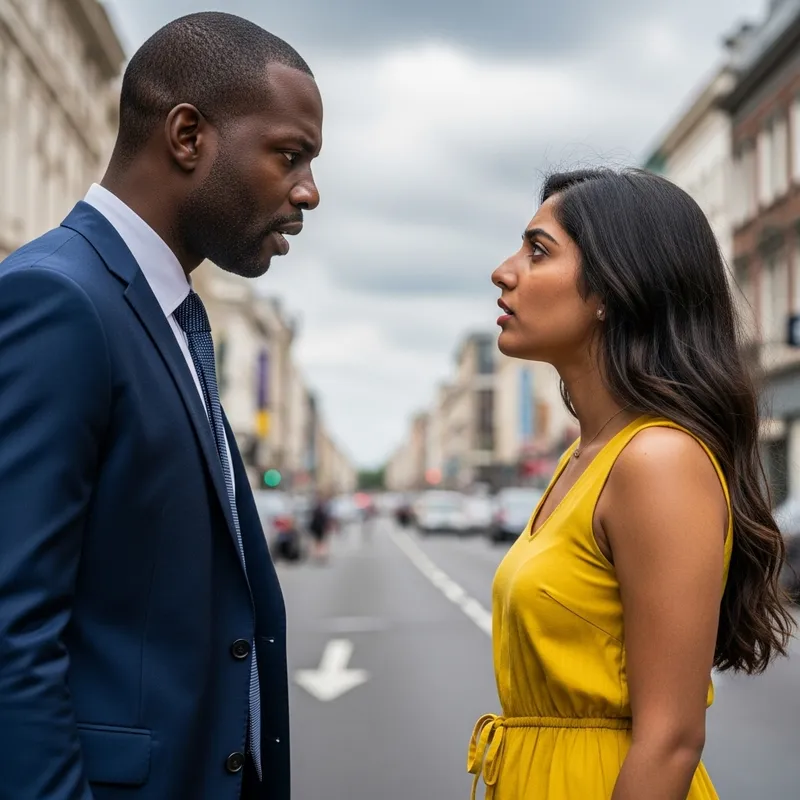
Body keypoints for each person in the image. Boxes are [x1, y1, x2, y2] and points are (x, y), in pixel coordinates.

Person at [0, 12, 321, 800]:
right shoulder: (58, 299)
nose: (308, 191)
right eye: (290, 155)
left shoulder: (171, 312)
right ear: (187, 136)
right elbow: (12, 629)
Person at [468, 168, 795, 800]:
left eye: (538, 251)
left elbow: (670, 740)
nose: (504, 271)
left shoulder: (657, 460)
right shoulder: (581, 459)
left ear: (613, 291)